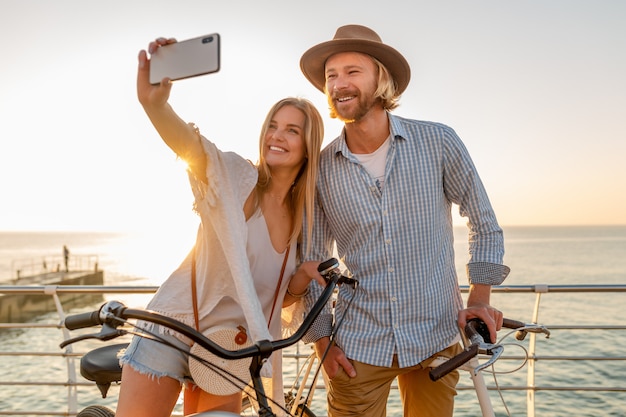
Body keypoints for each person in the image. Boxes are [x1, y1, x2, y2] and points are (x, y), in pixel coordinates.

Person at [295, 25, 511, 417]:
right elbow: (313, 260)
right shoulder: (320, 170)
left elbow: (483, 220)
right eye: (331, 75)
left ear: (381, 79)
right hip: (357, 347)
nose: (339, 84)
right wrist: (322, 343)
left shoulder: (438, 142)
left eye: (352, 71)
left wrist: (479, 298)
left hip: (435, 340)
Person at [116, 37, 325, 417]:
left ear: (309, 145)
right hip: (174, 332)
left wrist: (304, 275)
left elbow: (277, 298)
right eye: (273, 126)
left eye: (292, 130)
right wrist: (155, 105)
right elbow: (195, 150)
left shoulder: (300, 219)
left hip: (228, 350)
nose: (276, 135)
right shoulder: (238, 178)